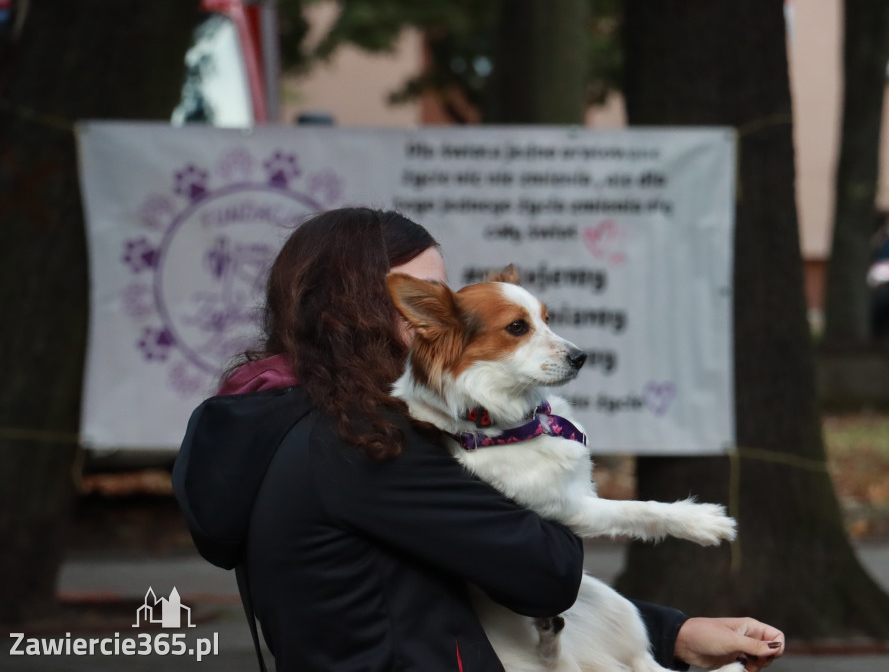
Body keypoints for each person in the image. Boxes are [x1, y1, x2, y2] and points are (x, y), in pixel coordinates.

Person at [173, 207, 785, 671]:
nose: (443, 323)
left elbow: (459, 578)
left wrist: (669, 633)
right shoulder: (359, 446)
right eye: (421, 307)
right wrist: (543, 461)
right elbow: (543, 574)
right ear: (348, 314)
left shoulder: (285, 420)